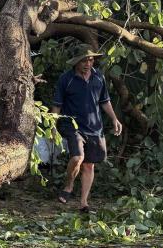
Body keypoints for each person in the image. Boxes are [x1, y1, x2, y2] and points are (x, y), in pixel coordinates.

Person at [51, 43, 122, 212]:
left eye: (90, 60)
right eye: (84, 61)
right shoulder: (66, 79)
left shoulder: (99, 78)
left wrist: (114, 119)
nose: (88, 64)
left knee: (89, 165)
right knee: (77, 158)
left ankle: (84, 203)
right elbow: (56, 105)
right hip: (72, 125)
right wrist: (53, 127)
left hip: (95, 127)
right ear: (76, 62)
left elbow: (104, 101)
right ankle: (68, 186)